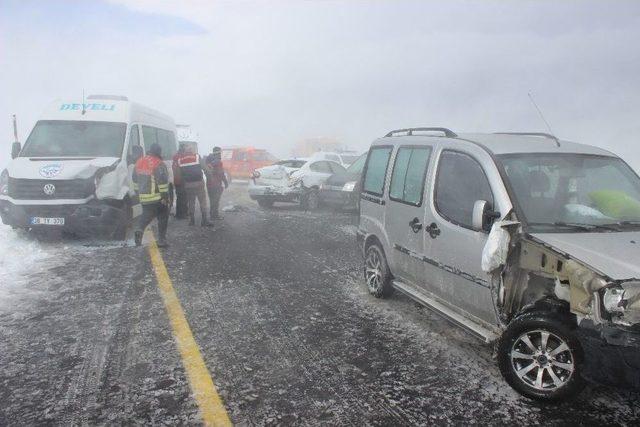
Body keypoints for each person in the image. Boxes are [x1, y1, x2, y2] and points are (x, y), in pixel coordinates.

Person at [132, 143, 170, 247]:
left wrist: (137, 193)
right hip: (157, 197)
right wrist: (165, 197)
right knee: (163, 217)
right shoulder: (158, 163)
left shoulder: (139, 161)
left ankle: (139, 230)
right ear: (158, 152)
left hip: (144, 197)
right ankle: (161, 240)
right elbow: (162, 182)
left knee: (146, 216)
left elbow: (135, 180)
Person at [175, 145, 213, 227]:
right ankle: (204, 220)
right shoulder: (197, 157)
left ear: (185, 151)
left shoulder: (180, 160)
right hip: (199, 183)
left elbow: (178, 175)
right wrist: (210, 177)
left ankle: (192, 221)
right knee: (202, 201)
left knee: (191, 202)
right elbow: (205, 169)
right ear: (192, 151)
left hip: (188, 185)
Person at [204, 146, 229, 220]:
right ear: (218, 153)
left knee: (212, 200)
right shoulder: (218, 161)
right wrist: (225, 182)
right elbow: (221, 173)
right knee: (216, 200)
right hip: (216, 184)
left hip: (209, 184)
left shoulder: (207, 161)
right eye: (220, 153)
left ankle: (212, 215)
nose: (220, 154)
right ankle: (215, 215)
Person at [172, 143, 188, 219]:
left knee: (180, 197)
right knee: (184, 197)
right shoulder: (182, 157)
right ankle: (183, 214)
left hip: (177, 180)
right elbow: (184, 169)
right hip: (182, 180)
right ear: (183, 148)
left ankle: (179, 214)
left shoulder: (175, 156)